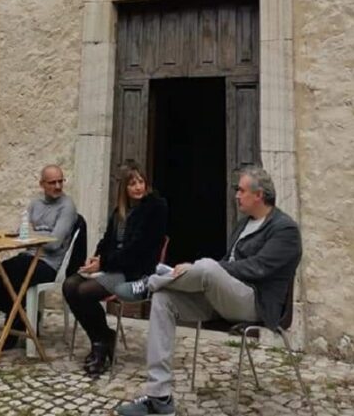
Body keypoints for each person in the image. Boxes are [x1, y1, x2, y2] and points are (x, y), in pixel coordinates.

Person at [114, 166, 302, 416]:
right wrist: (208, 272)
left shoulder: (284, 229)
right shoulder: (244, 223)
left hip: (254, 303)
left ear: (259, 195)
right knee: (164, 299)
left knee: (207, 267)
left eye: (241, 190)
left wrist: (208, 270)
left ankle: (150, 283)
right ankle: (159, 398)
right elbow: (227, 267)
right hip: (224, 299)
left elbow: (257, 268)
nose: (236, 195)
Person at [62, 161, 168, 376]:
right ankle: (101, 338)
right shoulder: (119, 211)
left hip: (135, 272)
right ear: (124, 189)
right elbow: (107, 240)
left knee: (85, 291)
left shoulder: (155, 208)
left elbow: (137, 250)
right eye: (132, 184)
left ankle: (101, 344)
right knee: (69, 285)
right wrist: (96, 258)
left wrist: (104, 263)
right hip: (113, 267)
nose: (137, 187)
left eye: (140, 182)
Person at [0, 164, 77, 348]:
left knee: (12, 277)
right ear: (42, 184)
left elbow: (54, 243)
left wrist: (31, 236)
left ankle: (17, 321)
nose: (57, 186)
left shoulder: (67, 206)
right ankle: (23, 316)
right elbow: (22, 231)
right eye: (52, 182)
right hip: (28, 257)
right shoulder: (35, 204)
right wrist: (20, 235)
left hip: (48, 264)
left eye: (60, 181)